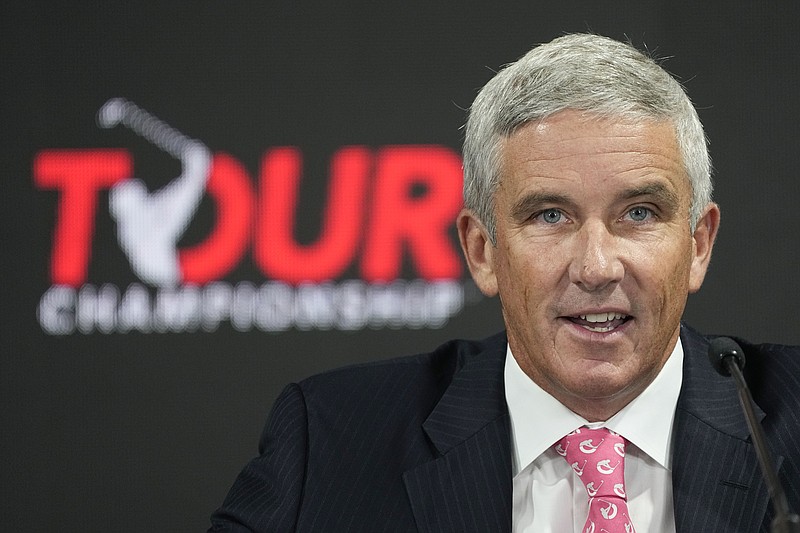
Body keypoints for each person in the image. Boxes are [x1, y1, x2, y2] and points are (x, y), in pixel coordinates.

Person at [208, 33, 800, 532]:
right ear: (482, 250)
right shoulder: (331, 442)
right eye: (550, 216)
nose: (596, 267)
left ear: (698, 245)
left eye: (639, 213)